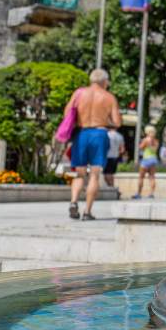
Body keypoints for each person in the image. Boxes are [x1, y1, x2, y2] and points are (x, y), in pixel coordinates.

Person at [62, 69, 122, 220]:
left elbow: (67, 113)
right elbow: (117, 122)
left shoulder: (79, 93)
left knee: (79, 173)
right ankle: (87, 212)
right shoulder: (109, 97)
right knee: (95, 174)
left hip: (82, 134)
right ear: (104, 81)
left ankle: (74, 201)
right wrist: (104, 120)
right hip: (99, 134)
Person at [134, 126, 160, 199]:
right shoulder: (156, 141)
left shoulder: (145, 140)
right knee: (152, 177)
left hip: (146, 159)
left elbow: (141, 147)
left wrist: (141, 143)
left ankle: (139, 194)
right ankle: (151, 193)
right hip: (154, 159)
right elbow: (155, 149)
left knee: (141, 177)